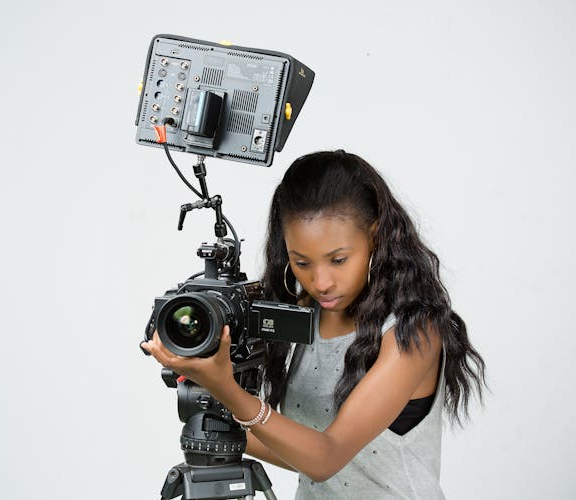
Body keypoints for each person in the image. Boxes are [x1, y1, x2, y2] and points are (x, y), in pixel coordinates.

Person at [141, 150, 486, 499]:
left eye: (338, 260)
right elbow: (300, 454)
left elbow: (327, 457)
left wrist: (227, 390)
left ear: (376, 237)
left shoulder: (413, 332)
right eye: (301, 262)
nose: (320, 282)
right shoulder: (303, 315)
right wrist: (210, 397)